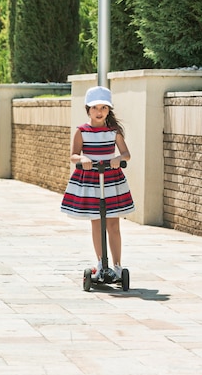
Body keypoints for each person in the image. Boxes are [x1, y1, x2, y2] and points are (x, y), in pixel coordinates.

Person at [60, 86, 135, 279]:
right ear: (88, 109)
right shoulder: (82, 132)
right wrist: (82, 160)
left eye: (104, 108)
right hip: (92, 180)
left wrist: (119, 158)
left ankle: (117, 266)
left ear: (109, 110)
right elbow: (73, 155)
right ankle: (102, 263)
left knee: (113, 224)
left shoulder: (114, 131)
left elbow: (126, 153)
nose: (99, 112)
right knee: (96, 222)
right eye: (95, 108)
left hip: (111, 180)